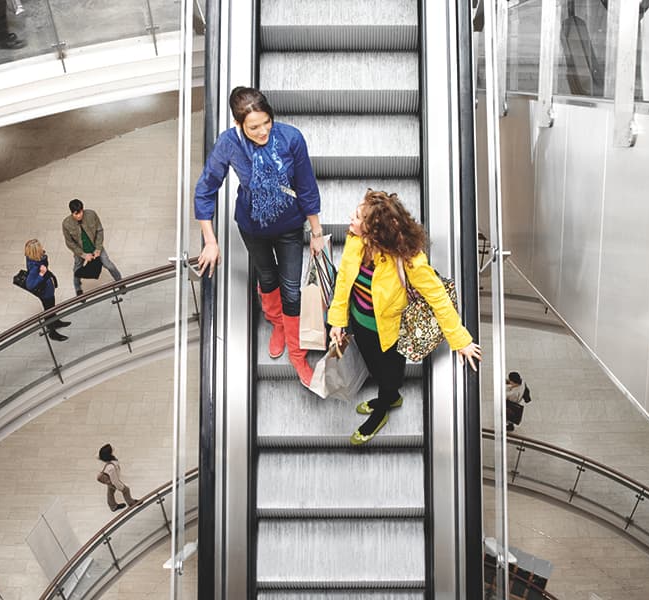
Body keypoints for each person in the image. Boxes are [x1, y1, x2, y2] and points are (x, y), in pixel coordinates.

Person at [194, 86, 325, 386]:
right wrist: (211, 241)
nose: (263, 130)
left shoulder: (290, 138)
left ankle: (297, 354)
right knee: (267, 277)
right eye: (254, 127)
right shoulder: (229, 144)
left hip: (290, 226)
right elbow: (206, 189)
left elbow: (306, 186)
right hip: (252, 226)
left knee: (291, 289)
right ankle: (277, 323)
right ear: (238, 124)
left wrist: (316, 231)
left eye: (267, 122)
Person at [328, 190, 483, 445]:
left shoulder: (409, 259)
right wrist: (338, 319)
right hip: (360, 323)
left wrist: (461, 340)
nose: (350, 219)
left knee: (387, 374)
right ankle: (389, 397)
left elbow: (439, 298)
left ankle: (383, 408)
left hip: (388, 332)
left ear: (374, 230)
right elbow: (344, 279)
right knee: (372, 364)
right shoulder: (356, 240)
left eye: (357, 217)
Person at [62, 199, 124, 297]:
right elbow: (69, 243)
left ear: (83, 209)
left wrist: (98, 249)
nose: (79, 215)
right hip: (81, 251)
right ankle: (78, 289)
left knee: (109, 265)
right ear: (71, 213)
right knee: (76, 270)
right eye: (76, 214)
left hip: (96, 246)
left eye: (80, 212)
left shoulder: (91, 215)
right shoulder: (66, 224)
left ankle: (120, 282)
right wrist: (83, 254)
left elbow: (99, 231)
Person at [24, 239, 70, 342]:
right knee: (48, 311)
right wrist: (41, 274)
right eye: (39, 247)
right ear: (36, 251)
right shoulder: (34, 266)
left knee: (51, 308)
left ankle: (56, 322)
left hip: (48, 288)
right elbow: (30, 284)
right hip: (45, 292)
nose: (42, 248)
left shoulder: (39, 259)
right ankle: (52, 332)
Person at [97, 444, 139, 512]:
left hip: (108, 480)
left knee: (110, 491)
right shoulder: (111, 467)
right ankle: (131, 503)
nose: (113, 448)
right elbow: (115, 481)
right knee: (126, 490)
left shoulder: (106, 460)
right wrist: (121, 487)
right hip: (111, 480)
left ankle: (113, 506)